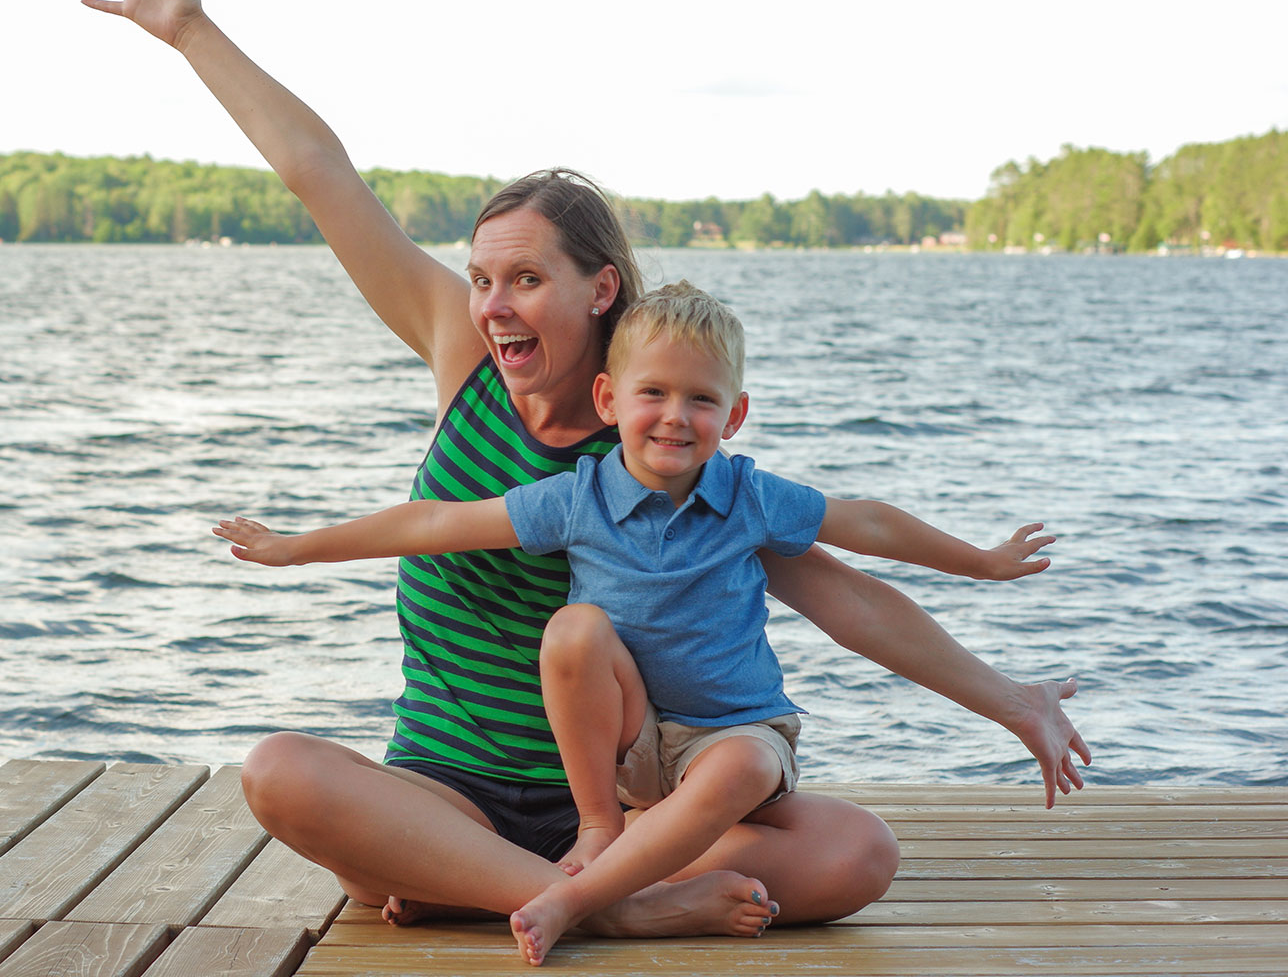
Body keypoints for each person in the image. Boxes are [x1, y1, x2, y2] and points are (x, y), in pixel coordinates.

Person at [84, 0, 1090, 942]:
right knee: (283, 774)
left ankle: (528, 888)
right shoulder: (462, 357)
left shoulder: (659, 453)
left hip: (614, 812)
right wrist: (192, 31)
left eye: (526, 280)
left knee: (857, 851)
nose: (493, 306)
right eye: (483, 280)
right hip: (447, 785)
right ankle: (614, 910)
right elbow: (321, 176)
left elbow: (847, 598)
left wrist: (1012, 700)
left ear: (598, 289)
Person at [214, 281, 1060, 964]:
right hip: (624, 760)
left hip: (726, 743)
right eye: (652, 394)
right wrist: (298, 547)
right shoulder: (578, 498)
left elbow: (867, 525)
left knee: (840, 840)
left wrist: (980, 563)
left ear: (733, 416)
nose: (674, 417)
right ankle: (612, 884)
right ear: (610, 398)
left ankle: (555, 890)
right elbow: (434, 523)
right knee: (570, 633)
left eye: (701, 401)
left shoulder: (748, 497)